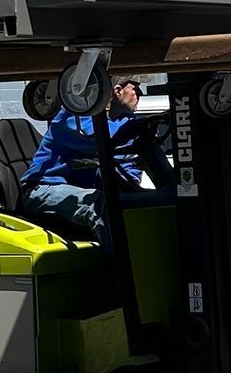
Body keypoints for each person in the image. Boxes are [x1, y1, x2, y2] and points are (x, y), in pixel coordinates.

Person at [19, 75, 161, 247]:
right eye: (135, 88)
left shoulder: (118, 123)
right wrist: (138, 126)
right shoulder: (72, 117)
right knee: (100, 205)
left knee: (145, 202)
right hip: (41, 190)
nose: (139, 94)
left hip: (74, 189)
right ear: (117, 91)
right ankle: (126, 269)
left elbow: (126, 165)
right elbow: (98, 139)